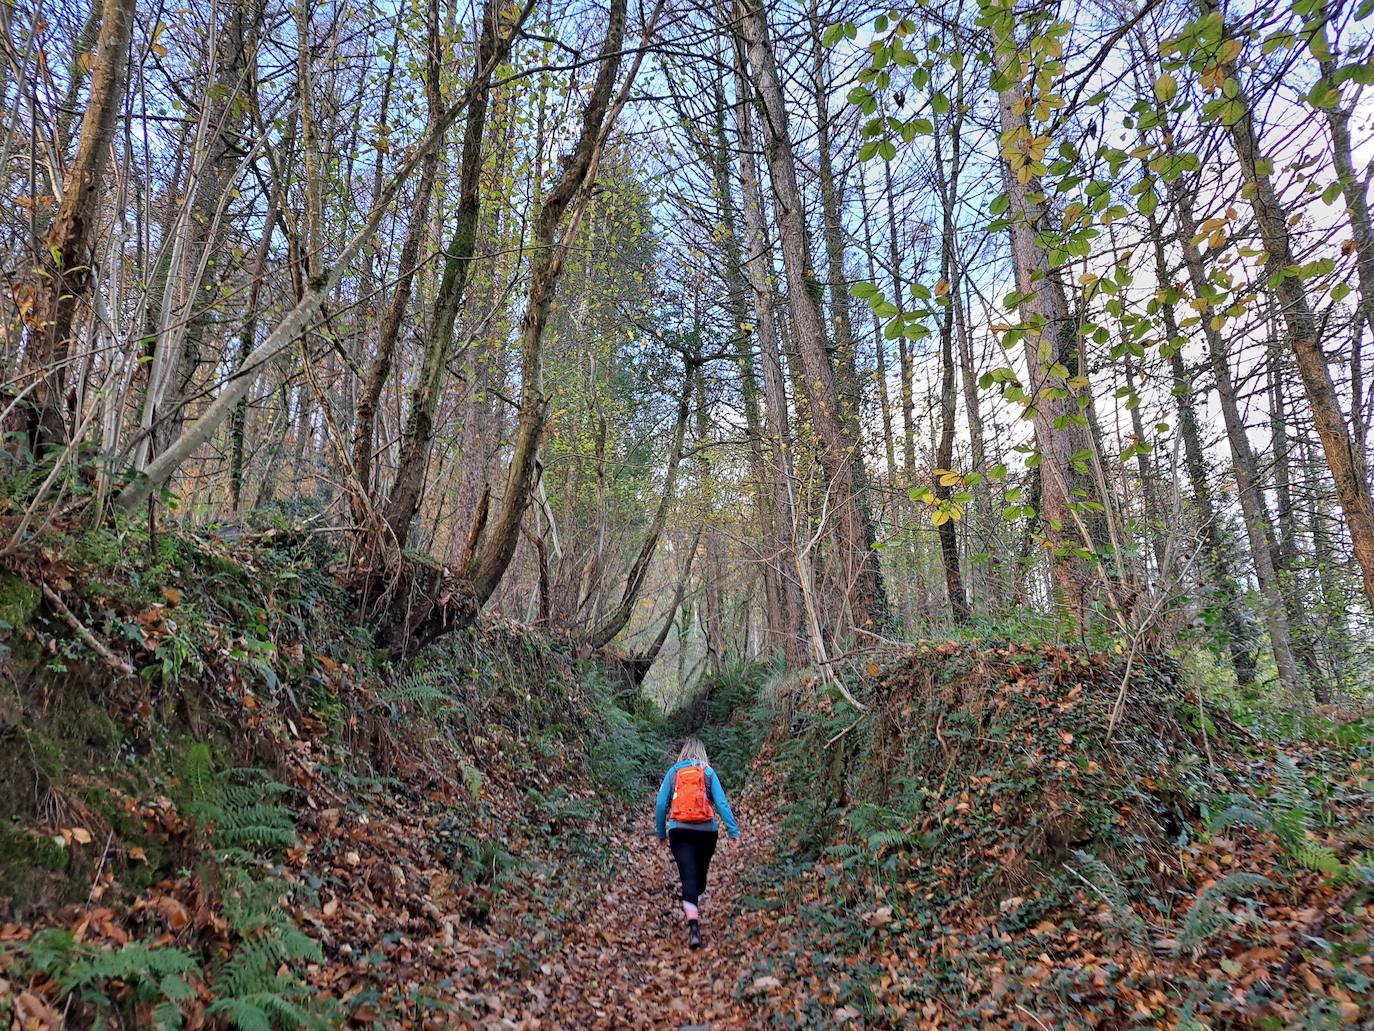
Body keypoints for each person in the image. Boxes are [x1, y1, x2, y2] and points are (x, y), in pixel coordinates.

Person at [654, 737, 739, 948]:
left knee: (688, 878)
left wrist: (661, 833)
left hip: (679, 831)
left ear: (683, 752)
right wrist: (733, 832)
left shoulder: (673, 772)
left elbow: (660, 804)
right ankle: (695, 904)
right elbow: (721, 803)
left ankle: (694, 927)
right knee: (699, 877)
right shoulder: (708, 772)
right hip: (706, 832)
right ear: (702, 753)